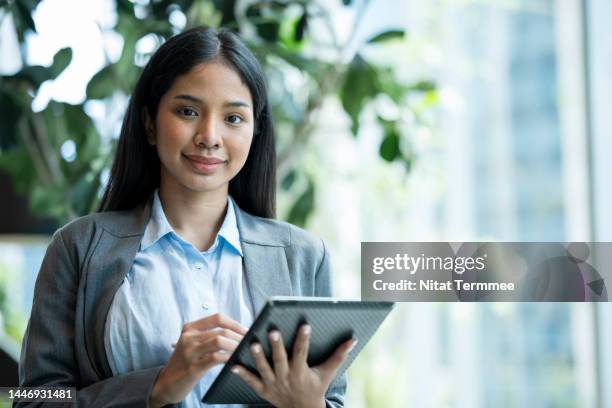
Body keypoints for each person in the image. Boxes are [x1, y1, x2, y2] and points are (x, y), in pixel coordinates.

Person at [16, 26, 354, 408]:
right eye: (188, 111)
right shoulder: (79, 247)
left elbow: (332, 398)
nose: (210, 136)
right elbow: (34, 399)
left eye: (233, 118)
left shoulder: (304, 256)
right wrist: (155, 388)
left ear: (255, 131)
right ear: (149, 123)